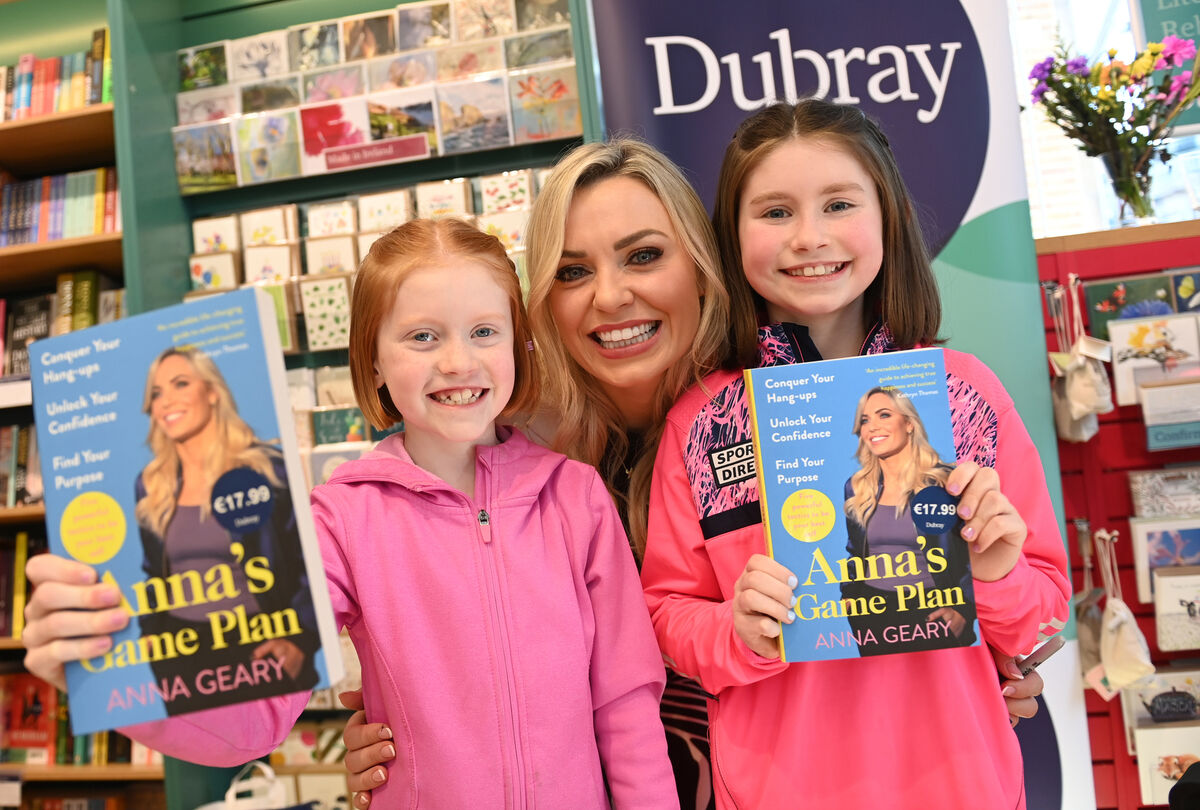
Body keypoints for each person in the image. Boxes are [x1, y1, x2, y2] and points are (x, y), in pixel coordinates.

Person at [340, 138, 1050, 809]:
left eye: (643, 256)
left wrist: (983, 658)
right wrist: (402, 741)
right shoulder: (511, 457)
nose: (611, 296)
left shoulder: (795, 409)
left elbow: (1018, 605)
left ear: (704, 264)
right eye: (573, 271)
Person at [22, 218, 678, 809]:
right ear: (373, 357)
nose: (458, 361)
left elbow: (625, 703)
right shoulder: (337, 520)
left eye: (484, 331)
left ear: (519, 343)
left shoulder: (576, 497)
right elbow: (253, 720)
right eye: (422, 336)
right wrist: (111, 672)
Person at [639, 99, 1072, 809]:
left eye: (839, 204)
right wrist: (735, 628)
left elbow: (1044, 613)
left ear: (887, 217)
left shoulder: (964, 395)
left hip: (963, 783)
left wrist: (994, 572)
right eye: (774, 212)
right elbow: (668, 614)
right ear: (731, 233)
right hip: (780, 789)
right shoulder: (704, 421)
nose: (809, 237)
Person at [136, 346, 320, 712]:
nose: (166, 401)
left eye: (180, 384)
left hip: (258, 647)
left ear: (212, 392)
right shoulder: (150, 486)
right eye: (156, 393)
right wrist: (152, 642)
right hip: (182, 656)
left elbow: (309, 562)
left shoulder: (266, 471)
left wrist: (301, 639)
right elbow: (154, 576)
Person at [841, 385, 975, 654]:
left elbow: (970, 554)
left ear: (909, 424)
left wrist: (964, 609)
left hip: (931, 611)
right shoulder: (856, 487)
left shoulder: (946, 482)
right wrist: (849, 599)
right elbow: (855, 553)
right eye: (865, 419)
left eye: (884, 415)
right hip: (873, 613)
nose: (872, 427)